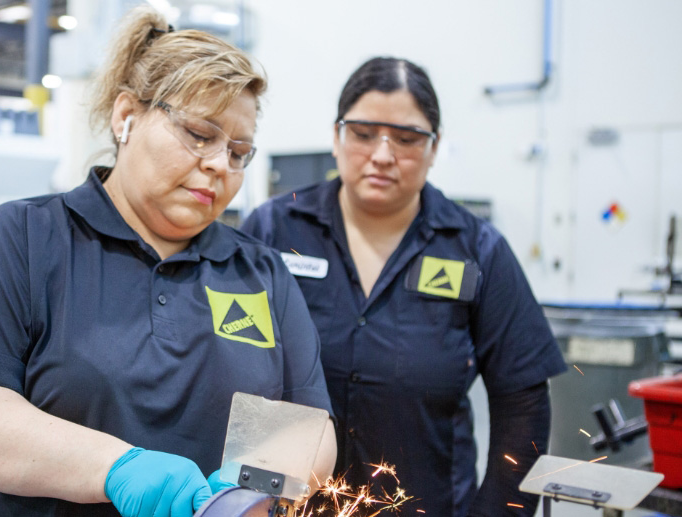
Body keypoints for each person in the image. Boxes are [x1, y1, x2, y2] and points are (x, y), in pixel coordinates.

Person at [0, 7, 336, 517]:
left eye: (238, 151)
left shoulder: (261, 274)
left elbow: (309, 426)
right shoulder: (26, 239)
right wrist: (115, 467)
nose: (218, 165)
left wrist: (253, 485)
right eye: (200, 134)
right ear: (126, 117)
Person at [241, 57, 567, 516]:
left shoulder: (478, 250)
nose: (382, 154)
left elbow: (523, 403)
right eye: (363, 133)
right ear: (336, 137)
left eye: (408, 139)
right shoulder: (274, 229)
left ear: (434, 149)